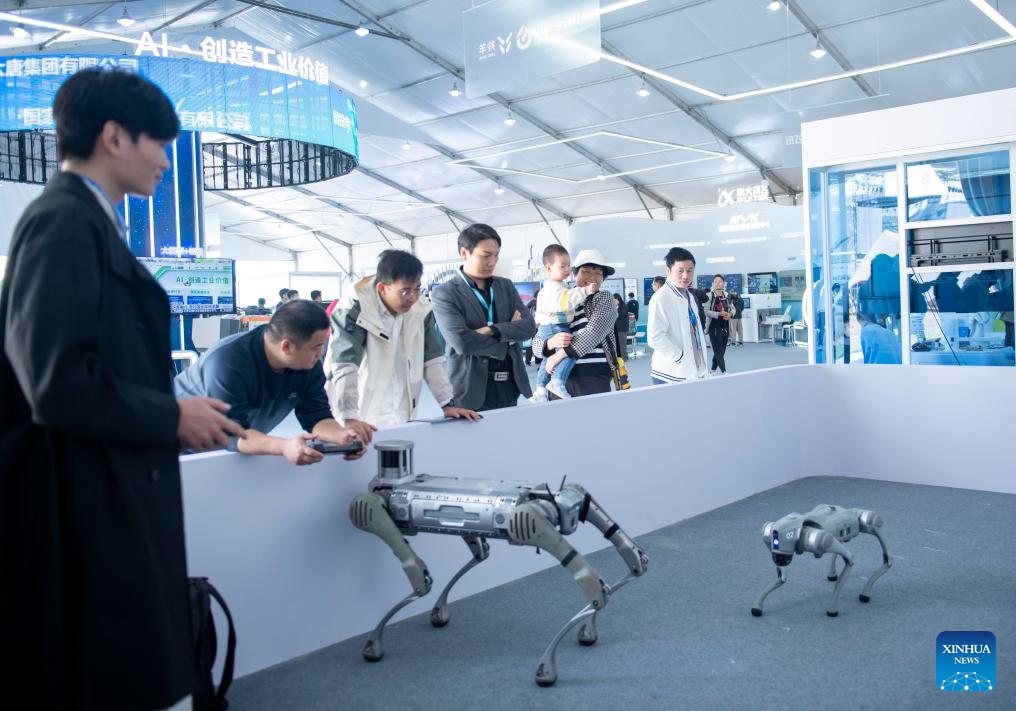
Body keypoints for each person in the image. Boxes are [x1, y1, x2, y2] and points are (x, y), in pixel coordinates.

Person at [0, 68, 245, 710]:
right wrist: (170, 416)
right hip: (77, 500)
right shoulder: (61, 224)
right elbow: (54, 380)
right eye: (158, 143)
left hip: (100, 485)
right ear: (113, 136)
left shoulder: (87, 222)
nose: (167, 160)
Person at [175, 299, 367, 465]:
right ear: (287, 346)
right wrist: (283, 446)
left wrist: (341, 436)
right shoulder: (228, 364)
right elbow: (234, 434)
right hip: (179, 452)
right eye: (317, 347)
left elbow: (316, 415)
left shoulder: (306, 362)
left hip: (233, 449)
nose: (322, 353)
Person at [326, 249, 480, 432]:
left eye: (417, 289)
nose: (413, 297)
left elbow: (432, 360)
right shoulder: (354, 307)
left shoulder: (421, 308)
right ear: (382, 288)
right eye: (405, 291)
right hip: (357, 406)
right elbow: (344, 365)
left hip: (402, 407)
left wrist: (447, 403)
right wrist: (348, 416)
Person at [431, 224, 536, 411]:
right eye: (486, 255)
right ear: (464, 253)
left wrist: (492, 330)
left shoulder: (505, 287)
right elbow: (461, 342)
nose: (492, 262)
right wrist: (508, 337)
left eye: (496, 255)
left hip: (510, 385)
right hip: (469, 389)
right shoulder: (445, 293)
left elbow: (528, 327)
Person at [531, 249, 618, 398]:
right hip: (558, 379)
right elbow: (537, 343)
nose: (593, 277)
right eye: (586, 271)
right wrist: (550, 343)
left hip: (592, 376)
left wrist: (557, 357)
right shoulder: (563, 299)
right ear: (574, 273)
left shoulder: (604, 298)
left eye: (599, 273)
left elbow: (592, 334)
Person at [647, 247, 708, 384]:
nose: (686, 276)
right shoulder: (661, 298)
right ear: (668, 271)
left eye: (690, 270)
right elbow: (655, 337)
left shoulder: (688, 295)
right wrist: (680, 357)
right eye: (680, 271)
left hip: (692, 371)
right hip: (670, 374)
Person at [704, 274, 732, 374]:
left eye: (720, 281)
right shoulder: (709, 295)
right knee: (717, 349)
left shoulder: (727, 295)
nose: (717, 283)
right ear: (713, 283)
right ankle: (724, 371)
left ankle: (713, 370)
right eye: (715, 281)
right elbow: (706, 311)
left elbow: (733, 309)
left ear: (723, 283)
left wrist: (730, 314)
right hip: (714, 326)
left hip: (725, 325)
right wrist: (719, 313)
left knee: (722, 349)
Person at [614, 293, 630, 361]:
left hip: (622, 329)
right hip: (618, 328)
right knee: (619, 344)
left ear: (618, 299)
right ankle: (621, 357)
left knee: (622, 344)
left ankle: (624, 358)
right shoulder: (616, 307)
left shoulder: (623, 306)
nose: (614, 301)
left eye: (615, 300)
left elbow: (621, 316)